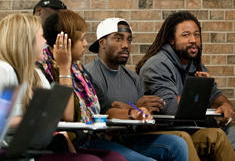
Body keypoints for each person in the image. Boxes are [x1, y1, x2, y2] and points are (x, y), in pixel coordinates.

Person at [37, 10, 188, 161]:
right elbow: (67, 117)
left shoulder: (80, 73)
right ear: (64, 42)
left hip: (101, 138)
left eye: (129, 40)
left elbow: (106, 109)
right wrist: (64, 67)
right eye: (81, 38)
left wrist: (132, 113)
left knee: (177, 144)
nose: (86, 43)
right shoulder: (44, 72)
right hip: (78, 142)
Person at [85, 17, 235, 161]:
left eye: (129, 39)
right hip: (106, 140)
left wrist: (145, 112)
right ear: (102, 43)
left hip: (135, 137)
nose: (125, 45)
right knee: (179, 140)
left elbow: (147, 126)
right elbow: (100, 113)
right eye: (119, 39)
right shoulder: (88, 75)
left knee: (219, 135)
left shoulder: (132, 78)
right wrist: (134, 110)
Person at [0, 13, 125, 161]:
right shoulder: (4, 70)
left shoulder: (37, 74)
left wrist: (65, 66)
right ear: (26, 41)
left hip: (37, 146)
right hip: (10, 149)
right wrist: (33, 121)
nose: (46, 41)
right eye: (42, 36)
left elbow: (66, 116)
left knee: (115, 157)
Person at [136, 11, 235, 151]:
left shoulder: (195, 64)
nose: (193, 40)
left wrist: (225, 105)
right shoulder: (157, 65)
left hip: (194, 129)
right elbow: (168, 106)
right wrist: (201, 95)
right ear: (171, 40)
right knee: (217, 136)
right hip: (170, 134)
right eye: (186, 35)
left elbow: (216, 96)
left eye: (196, 34)